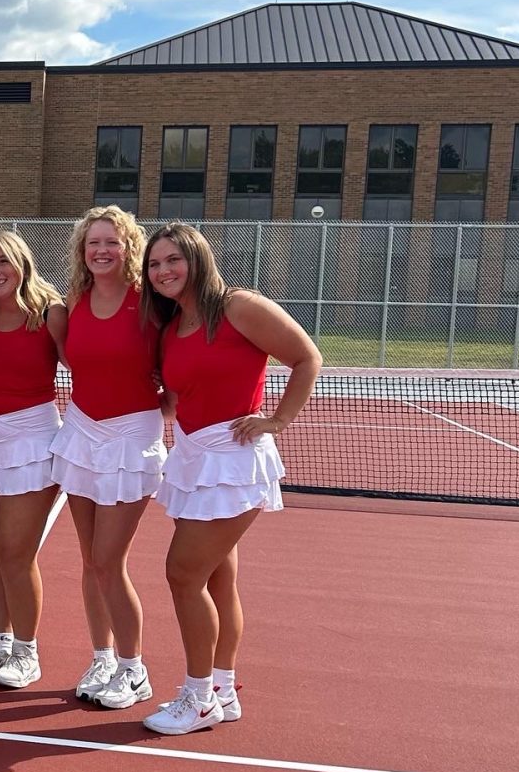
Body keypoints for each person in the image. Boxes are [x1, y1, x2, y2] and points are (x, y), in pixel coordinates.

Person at [139, 221, 320, 735]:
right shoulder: (173, 328)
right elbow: (176, 401)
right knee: (218, 578)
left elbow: (307, 358)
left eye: (172, 259)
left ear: (196, 259)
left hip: (235, 460)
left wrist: (278, 420)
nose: (163, 271)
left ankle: (197, 698)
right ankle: (221, 687)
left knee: (182, 574)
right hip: (194, 457)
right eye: (154, 264)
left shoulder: (239, 307)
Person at [49, 206, 166, 709]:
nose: (101, 250)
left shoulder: (151, 304)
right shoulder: (74, 300)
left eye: (112, 242)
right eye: (93, 242)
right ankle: (102, 657)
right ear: (82, 249)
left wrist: (155, 415)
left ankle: (134, 669)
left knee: (108, 560)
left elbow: (175, 368)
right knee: (89, 560)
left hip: (129, 437)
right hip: (81, 430)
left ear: (129, 248)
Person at [0, 229, 66, 689]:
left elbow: (91, 364)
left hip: (32, 437)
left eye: (2, 261)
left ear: (22, 262)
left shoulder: (51, 314)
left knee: (15, 553)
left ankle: (26, 651)